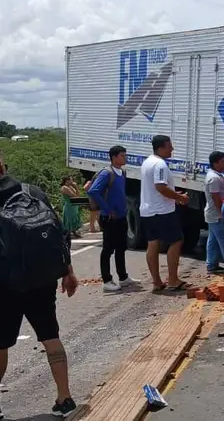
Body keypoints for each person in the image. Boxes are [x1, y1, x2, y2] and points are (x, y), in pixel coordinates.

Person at [0, 152, 79, 418]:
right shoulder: (31, 191)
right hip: (42, 280)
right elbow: (59, 233)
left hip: (5, 284)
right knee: (51, 337)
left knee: (0, 345)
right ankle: (65, 397)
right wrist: (68, 272)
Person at [139, 135, 191, 292]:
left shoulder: (147, 162)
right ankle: (173, 280)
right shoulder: (160, 164)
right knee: (176, 240)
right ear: (160, 148)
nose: (172, 149)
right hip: (162, 211)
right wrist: (180, 197)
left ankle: (157, 282)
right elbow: (160, 187)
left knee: (152, 244)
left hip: (148, 210)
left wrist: (174, 196)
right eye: (169, 146)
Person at [87, 145, 139, 292]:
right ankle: (107, 280)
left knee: (121, 248)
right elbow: (93, 191)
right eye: (123, 156)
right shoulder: (106, 173)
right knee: (108, 249)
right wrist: (107, 209)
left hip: (121, 217)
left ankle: (123, 277)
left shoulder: (122, 172)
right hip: (109, 218)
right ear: (114, 157)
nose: (125, 158)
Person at [204, 151, 224, 273]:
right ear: (215, 163)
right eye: (223, 161)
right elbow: (216, 199)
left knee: (214, 241)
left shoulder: (216, 175)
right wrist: (223, 214)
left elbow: (223, 180)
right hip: (217, 215)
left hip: (213, 215)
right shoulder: (214, 178)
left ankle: (211, 264)